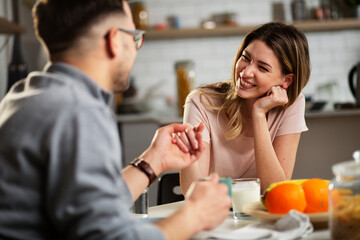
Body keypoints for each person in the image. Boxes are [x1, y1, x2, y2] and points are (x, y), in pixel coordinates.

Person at [0, 0, 231, 239]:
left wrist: (153, 160)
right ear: (114, 41)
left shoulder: (25, 94)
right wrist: (196, 215)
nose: (136, 48)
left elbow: (90, 206)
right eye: (134, 37)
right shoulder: (79, 111)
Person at [178, 22, 311, 194]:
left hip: (259, 215)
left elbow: (275, 190)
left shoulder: (292, 104)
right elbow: (193, 190)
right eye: (245, 58)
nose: (246, 72)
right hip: (212, 210)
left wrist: (259, 114)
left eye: (262, 68)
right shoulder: (201, 101)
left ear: (287, 80)